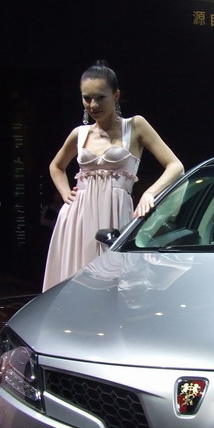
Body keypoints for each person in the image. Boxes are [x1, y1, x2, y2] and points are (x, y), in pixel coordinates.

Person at [42, 60, 184, 291]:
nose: (93, 104)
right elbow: (56, 167)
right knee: (74, 282)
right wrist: (66, 194)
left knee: (114, 283)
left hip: (114, 213)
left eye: (100, 97)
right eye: (87, 98)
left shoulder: (135, 126)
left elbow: (175, 166)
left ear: (116, 95)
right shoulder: (80, 133)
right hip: (77, 217)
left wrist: (149, 193)